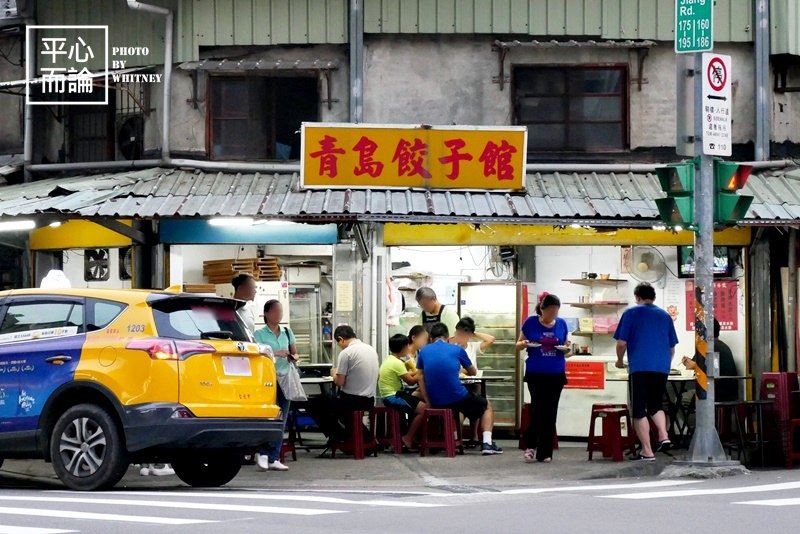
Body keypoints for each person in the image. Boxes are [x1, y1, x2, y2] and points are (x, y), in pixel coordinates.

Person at [614, 282, 679, 461]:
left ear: (637, 297)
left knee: (639, 410)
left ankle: (647, 451)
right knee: (655, 404)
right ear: (654, 297)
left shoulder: (631, 313)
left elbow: (621, 343)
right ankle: (663, 435)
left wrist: (620, 361)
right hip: (661, 368)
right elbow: (672, 348)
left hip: (639, 367)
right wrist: (663, 364)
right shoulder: (665, 316)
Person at [417, 322, 503, 455]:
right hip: (457, 396)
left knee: (457, 409)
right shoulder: (457, 350)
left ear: (431, 337)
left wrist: (428, 400)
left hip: (435, 399)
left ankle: (455, 438)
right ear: (447, 337)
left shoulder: (424, 351)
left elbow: (420, 377)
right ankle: (487, 443)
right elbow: (473, 372)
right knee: (486, 406)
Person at [516, 293, 570, 463]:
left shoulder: (561, 324)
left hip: (556, 373)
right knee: (538, 410)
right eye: (551, 311)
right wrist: (524, 344)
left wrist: (567, 349)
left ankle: (545, 452)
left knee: (551, 411)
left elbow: (566, 344)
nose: (553, 315)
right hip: (536, 373)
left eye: (556, 311)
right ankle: (530, 445)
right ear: (542, 309)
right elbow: (517, 345)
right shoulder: (530, 323)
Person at [253, 299, 297, 472]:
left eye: (280, 311)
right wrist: (275, 353)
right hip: (267, 379)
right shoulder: (259, 334)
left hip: (285, 377)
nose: (279, 315)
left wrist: (293, 357)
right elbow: (257, 355)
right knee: (268, 417)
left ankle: (274, 456)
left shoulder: (287, 331)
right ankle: (262, 453)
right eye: (275, 311)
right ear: (266, 314)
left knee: (282, 418)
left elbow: (295, 352)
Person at [378, 334, 427, 450]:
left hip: (392, 395)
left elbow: (406, 375)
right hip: (393, 396)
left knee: (416, 400)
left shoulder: (390, 359)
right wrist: (420, 373)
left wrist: (415, 372)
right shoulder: (397, 363)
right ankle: (408, 437)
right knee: (424, 408)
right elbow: (410, 381)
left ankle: (411, 436)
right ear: (404, 348)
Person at [452, 317, 496, 446]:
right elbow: (457, 369)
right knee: (470, 405)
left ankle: (474, 435)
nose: (460, 337)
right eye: (458, 333)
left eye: (464, 334)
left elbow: (491, 339)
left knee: (478, 394)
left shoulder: (473, 346)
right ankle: (458, 437)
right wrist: (466, 370)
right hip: (458, 385)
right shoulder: (451, 348)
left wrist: (474, 333)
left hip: (473, 383)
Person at [332, 325, 380, 433]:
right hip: (370, 399)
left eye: (338, 343)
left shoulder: (346, 353)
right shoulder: (371, 349)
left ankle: (349, 439)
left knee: (321, 406)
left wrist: (334, 373)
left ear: (341, 339)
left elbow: (339, 382)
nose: (339, 346)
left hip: (352, 401)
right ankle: (362, 440)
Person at [682, 318, 739, 402]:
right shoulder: (722, 346)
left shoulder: (708, 346)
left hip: (715, 393)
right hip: (729, 393)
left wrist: (690, 363)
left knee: (682, 398)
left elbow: (696, 366)